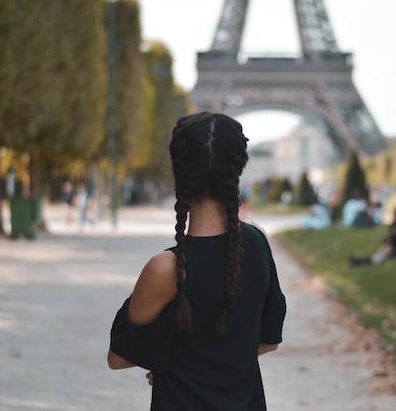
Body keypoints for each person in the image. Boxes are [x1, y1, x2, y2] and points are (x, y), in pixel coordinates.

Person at [107, 112, 287, 410]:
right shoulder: (257, 244)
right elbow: (269, 340)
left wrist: (172, 361)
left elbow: (120, 357)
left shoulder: (166, 269)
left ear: (179, 172)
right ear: (237, 169)